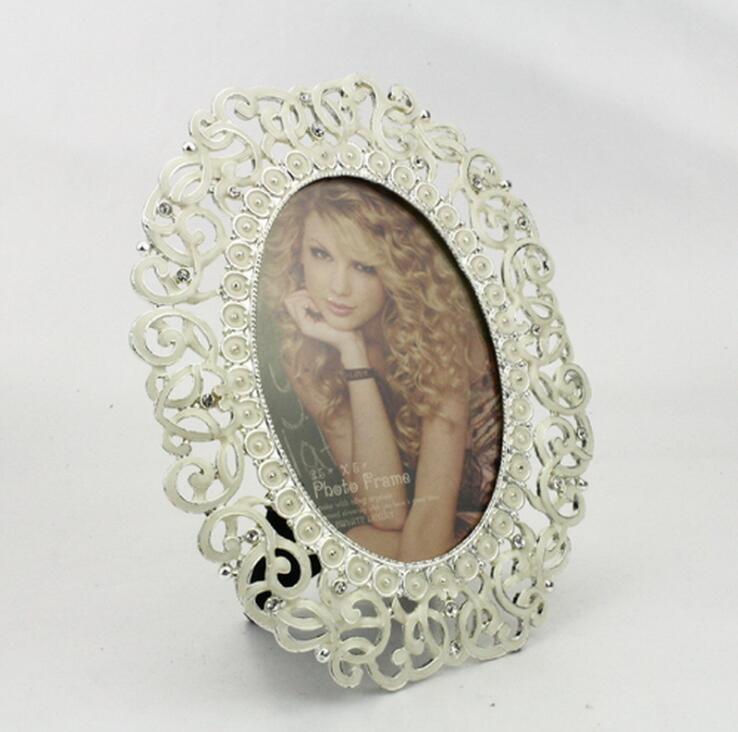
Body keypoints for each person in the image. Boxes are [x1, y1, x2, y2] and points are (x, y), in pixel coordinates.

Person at [256, 177, 502, 562]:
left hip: (498, 520)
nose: (339, 288)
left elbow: (430, 524)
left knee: (356, 543)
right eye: (321, 254)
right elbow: (386, 513)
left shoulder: (438, 332)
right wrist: (353, 354)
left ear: (396, 269)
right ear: (297, 253)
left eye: (364, 266)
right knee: (360, 536)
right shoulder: (307, 355)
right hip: (426, 533)